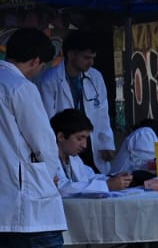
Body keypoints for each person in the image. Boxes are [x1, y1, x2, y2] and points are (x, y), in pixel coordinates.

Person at [0, 29, 93, 248]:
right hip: (30, 194)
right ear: (36, 60)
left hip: (4, 198)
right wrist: (53, 172)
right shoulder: (20, 88)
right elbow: (42, 140)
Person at [37, 30, 116, 164]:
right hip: (65, 146)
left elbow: (102, 113)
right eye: (86, 58)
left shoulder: (95, 77)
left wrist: (106, 143)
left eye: (93, 58)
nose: (91, 62)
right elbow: (47, 121)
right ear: (71, 54)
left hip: (90, 145)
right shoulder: (49, 81)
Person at [51, 109, 134, 196]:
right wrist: (107, 185)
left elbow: (90, 177)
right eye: (79, 138)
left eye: (86, 139)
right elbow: (62, 188)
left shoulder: (74, 159)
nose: (84, 145)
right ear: (61, 137)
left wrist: (115, 179)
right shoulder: (47, 160)